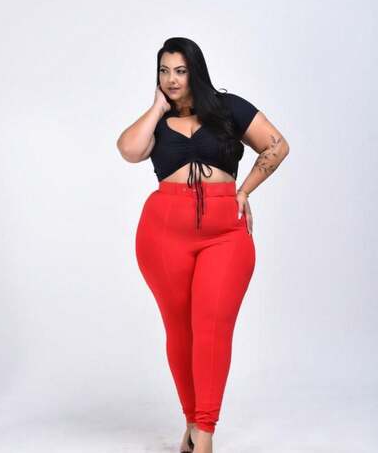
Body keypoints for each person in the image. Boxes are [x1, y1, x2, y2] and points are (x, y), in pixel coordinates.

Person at [116, 37, 290, 453]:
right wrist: (157, 107)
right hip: (163, 235)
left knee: (211, 328)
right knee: (180, 331)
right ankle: (192, 423)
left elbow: (277, 145)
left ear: (196, 71)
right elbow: (129, 150)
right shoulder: (157, 122)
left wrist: (243, 191)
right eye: (164, 71)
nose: (172, 79)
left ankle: (205, 431)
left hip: (225, 234)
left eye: (180, 70)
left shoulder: (228, 108)